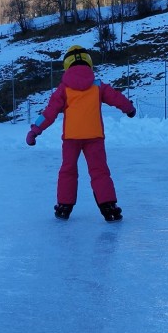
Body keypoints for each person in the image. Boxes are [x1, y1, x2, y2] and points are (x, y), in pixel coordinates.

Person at [25, 45, 136, 222]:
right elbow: (117, 97)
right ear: (89, 63)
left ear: (67, 65)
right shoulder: (98, 86)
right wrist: (129, 108)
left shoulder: (63, 89)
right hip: (95, 137)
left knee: (68, 171)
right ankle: (109, 206)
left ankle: (64, 206)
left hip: (71, 139)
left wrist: (34, 130)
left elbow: (49, 113)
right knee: (100, 172)